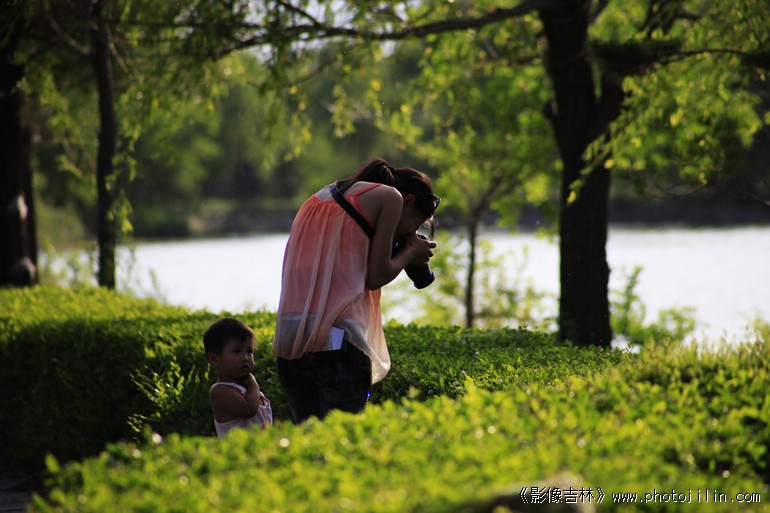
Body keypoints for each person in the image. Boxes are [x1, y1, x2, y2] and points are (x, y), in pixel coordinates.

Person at [273, 157, 440, 423]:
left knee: (310, 441)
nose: (411, 232)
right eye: (416, 223)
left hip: (290, 344)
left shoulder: (321, 197)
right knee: (344, 439)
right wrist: (409, 253)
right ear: (407, 201)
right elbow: (376, 276)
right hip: (338, 347)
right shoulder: (391, 197)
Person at [204, 317, 273, 438]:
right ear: (214, 359)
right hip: (239, 450)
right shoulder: (220, 391)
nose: (245, 358)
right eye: (237, 351)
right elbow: (249, 410)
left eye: (249, 351)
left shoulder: (246, 388)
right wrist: (253, 382)